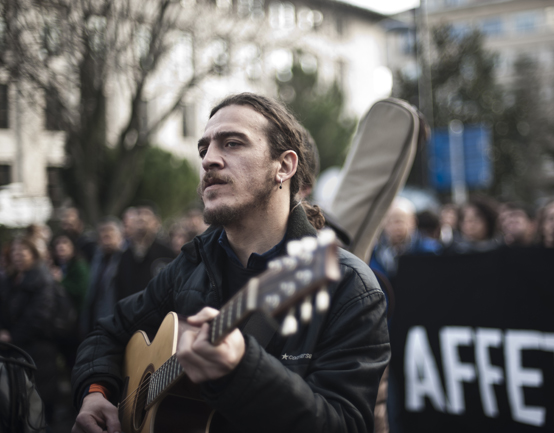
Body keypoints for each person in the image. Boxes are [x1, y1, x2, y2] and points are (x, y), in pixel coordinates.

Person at [71, 93, 390, 433]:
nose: (209, 160)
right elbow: (108, 331)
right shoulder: (190, 267)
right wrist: (96, 392)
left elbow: (344, 425)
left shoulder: (349, 286)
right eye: (203, 149)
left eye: (232, 144)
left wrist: (242, 369)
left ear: (284, 166)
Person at [0, 237, 60, 423]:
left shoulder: (42, 279)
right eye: (15, 252)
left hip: (37, 350)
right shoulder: (10, 279)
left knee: (39, 403)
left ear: (34, 254)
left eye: (22, 252)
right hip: (15, 349)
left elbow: (40, 315)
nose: (17, 256)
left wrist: (11, 335)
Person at [114, 203, 176, 301]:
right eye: (138, 214)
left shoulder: (166, 253)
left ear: (157, 222)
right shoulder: (124, 255)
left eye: (146, 214)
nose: (141, 218)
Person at [371, 197, 441, 279]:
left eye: (400, 221)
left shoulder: (430, 251)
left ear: (413, 222)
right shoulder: (374, 254)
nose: (396, 227)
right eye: (390, 221)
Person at [79, 218, 126, 338]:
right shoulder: (97, 260)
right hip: (96, 321)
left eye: (110, 236)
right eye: (104, 237)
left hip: (117, 322)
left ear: (120, 237)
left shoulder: (126, 259)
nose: (107, 241)